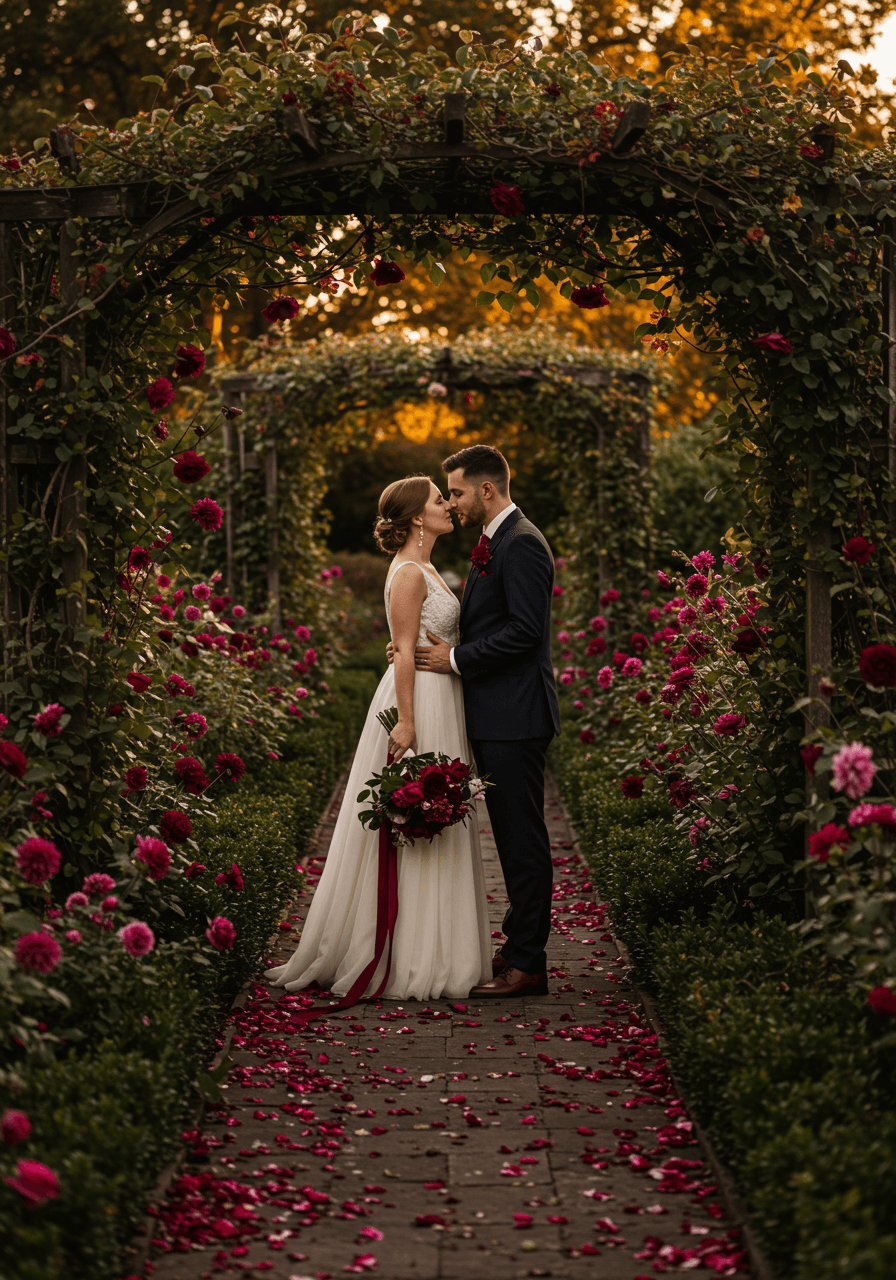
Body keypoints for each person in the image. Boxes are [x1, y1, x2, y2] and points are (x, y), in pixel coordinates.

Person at [266, 475, 492, 1002]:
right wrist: (408, 724)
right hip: (420, 703)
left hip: (443, 693)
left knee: (438, 818)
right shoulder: (410, 573)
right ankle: (410, 955)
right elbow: (403, 649)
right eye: (439, 500)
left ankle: (439, 947)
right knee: (416, 820)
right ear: (417, 517)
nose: (447, 506)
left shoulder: (429, 567)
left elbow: (420, 643)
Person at [409, 444, 561, 999]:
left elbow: (525, 632)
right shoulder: (494, 542)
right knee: (513, 837)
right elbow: (491, 621)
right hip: (498, 713)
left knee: (523, 842)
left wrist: (453, 660)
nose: (452, 501)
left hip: (515, 715)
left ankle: (527, 963)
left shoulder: (521, 545)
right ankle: (519, 944)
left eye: (457, 492)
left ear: (487, 490)